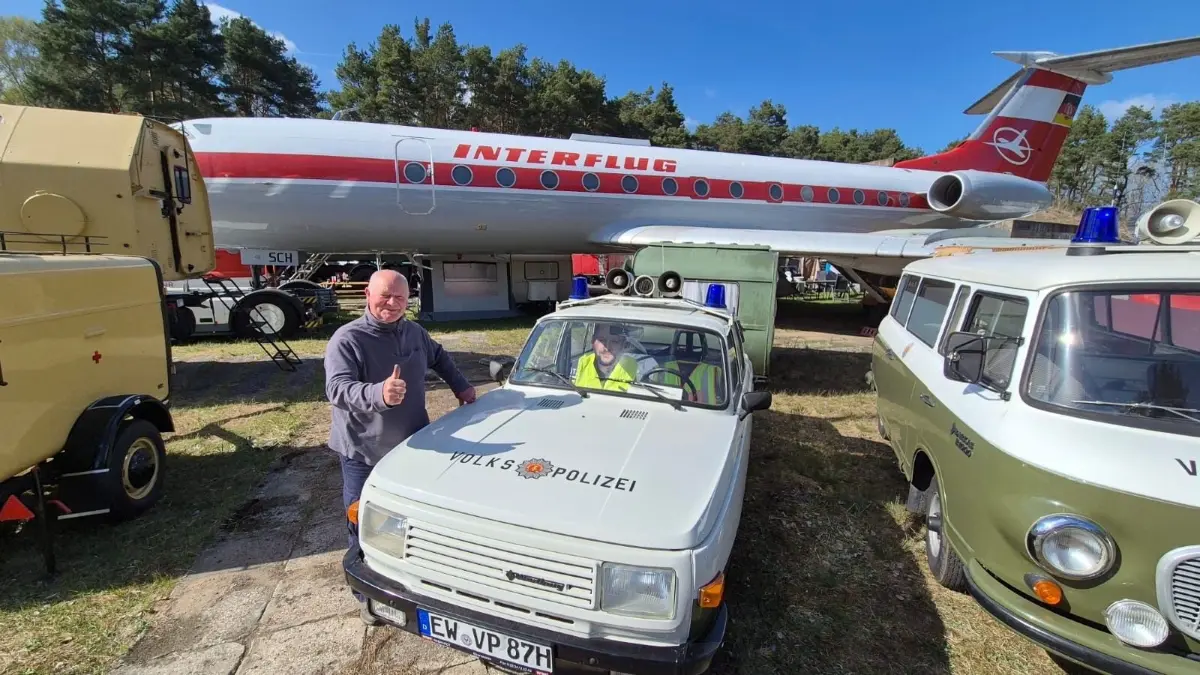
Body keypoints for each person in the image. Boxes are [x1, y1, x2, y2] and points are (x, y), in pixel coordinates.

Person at [323, 269, 476, 623]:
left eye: (400, 298)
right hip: (363, 450)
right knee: (363, 519)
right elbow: (337, 389)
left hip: (411, 444)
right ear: (367, 293)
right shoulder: (347, 339)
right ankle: (367, 594)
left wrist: (463, 388)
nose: (392, 304)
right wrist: (379, 393)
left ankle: (418, 575)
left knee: (415, 514)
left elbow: (440, 358)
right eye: (385, 296)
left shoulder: (414, 332)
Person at [574, 322, 639, 391]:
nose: (607, 347)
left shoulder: (632, 367)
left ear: (622, 345)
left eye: (614, 341)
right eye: (602, 340)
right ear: (593, 341)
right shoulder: (582, 363)